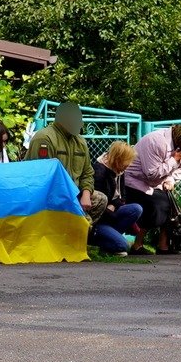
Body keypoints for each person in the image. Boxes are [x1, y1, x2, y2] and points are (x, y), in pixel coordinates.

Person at [29, 101, 138, 254]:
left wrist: (86, 193)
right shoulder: (44, 138)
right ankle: (62, 238)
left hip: (75, 194)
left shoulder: (80, 142)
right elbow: (40, 176)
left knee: (100, 199)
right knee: (120, 244)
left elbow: (87, 172)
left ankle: (78, 236)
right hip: (50, 195)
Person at [123, 123, 181, 252]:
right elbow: (151, 174)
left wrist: (171, 180)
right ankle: (137, 245)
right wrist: (173, 160)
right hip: (134, 181)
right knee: (160, 204)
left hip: (156, 183)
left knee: (170, 205)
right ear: (178, 141)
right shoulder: (155, 142)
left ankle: (163, 246)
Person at [93, 140, 145, 251]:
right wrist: (113, 209)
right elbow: (98, 205)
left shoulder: (119, 170)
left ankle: (112, 236)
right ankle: (99, 242)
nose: (128, 165)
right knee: (123, 246)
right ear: (118, 159)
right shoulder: (99, 172)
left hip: (111, 212)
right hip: (100, 220)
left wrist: (113, 205)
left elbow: (123, 196)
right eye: (126, 162)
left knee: (136, 209)